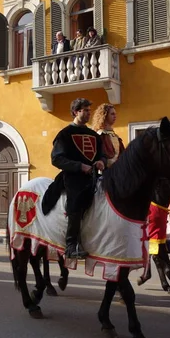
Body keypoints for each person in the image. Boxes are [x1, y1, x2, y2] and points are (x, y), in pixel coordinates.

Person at [49, 98, 107, 258]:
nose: (89, 113)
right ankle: (71, 245)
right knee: (76, 205)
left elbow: (102, 154)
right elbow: (57, 159)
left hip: (94, 178)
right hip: (73, 179)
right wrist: (80, 166)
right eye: (85, 110)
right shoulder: (65, 134)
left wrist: (102, 161)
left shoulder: (93, 135)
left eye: (89, 110)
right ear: (76, 112)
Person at [91, 103, 125, 168]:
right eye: (112, 114)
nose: (115, 116)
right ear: (105, 115)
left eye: (115, 114)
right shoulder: (100, 135)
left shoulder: (115, 136)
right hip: (105, 171)